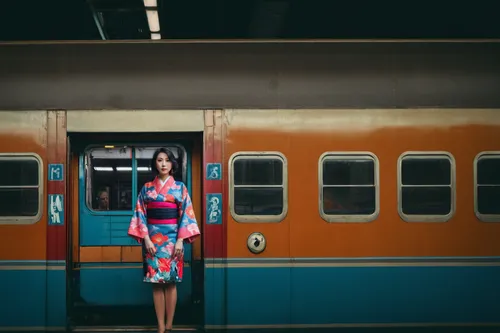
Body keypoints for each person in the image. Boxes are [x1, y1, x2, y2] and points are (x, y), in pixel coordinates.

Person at [128, 148, 201, 333]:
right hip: (152, 241)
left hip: (173, 241)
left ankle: (170, 324)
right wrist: (146, 240)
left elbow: (187, 215)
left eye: (167, 160)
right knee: (156, 283)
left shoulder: (180, 188)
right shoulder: (146, 188)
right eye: (159, 160)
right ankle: (161, 325)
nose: (163, 164)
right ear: (155, 163)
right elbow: (140, 215)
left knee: (171, 282)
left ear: (172, 164)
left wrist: (180, 241)